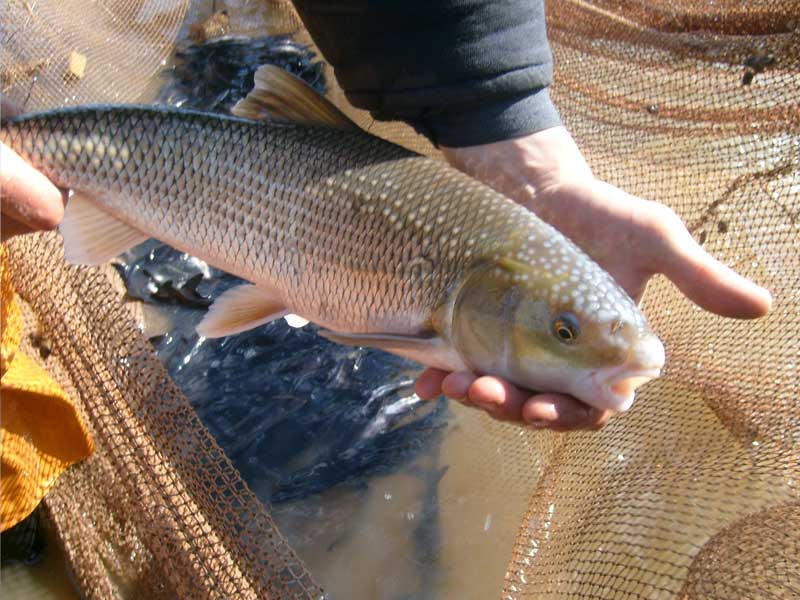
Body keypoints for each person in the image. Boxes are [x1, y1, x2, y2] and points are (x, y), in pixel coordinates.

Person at [0, 1, 772, 432]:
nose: (573, 344)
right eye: (562, 332)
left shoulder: (502, 256)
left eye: (565, 333)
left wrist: (500, 118)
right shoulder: (448, 318)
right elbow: (347, 328)